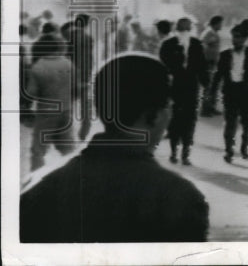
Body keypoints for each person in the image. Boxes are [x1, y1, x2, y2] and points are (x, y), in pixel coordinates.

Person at [20, 53, 209, 242]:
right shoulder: (180, 199)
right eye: (169, 106)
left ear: (99, 108)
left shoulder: (35, 188)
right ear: (155, 115)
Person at [159, 17, 209, 165]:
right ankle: (174, 152)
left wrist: (206, 84)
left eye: (187, 28)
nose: (184, 31)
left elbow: (201, 65)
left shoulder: (196, 44)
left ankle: (185, 153)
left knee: (190, 120)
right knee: (175, 120)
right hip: (175, 87)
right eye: (182, 28)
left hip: (191, 88)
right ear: (177, 29)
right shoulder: (168, 44)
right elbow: (164, 65)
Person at [26, 34, 75, 170]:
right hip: (66, 110)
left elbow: (31, 93)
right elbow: (74, 86)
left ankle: (35, 180)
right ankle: (74, 176)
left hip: (46, 112)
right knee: (67, 148)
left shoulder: (38, 66)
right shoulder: (68, 63)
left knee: (38, 150)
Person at [214, 25, 248, 162]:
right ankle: (229, 150)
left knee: (247, 121)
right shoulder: (224, 54)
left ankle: (245, 145)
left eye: (239, 37)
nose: (236, 40)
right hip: (230, 91)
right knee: (230, 122)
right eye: (234, 36)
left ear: (245, 38)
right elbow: (218, 75)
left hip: (247, 92)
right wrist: (212, 92)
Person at [69, 14, 95, 141]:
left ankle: (66, 133)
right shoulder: (88, 38)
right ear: (86, 24)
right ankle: (83, 133)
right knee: (85, 107)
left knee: (68, 104)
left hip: (70, 75)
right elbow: (90, 58)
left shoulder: (68, 37)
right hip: (84, 75)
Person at [200, 15, 224, 116]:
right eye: (220, 23)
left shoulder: (213, 33)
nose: (221, 26)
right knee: (208, 87)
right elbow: (202, 46)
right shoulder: (209, 33)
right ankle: (205, 109)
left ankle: (211, 107)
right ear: (216, 23)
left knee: (213, 86)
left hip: (213, 62)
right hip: (208, 63)